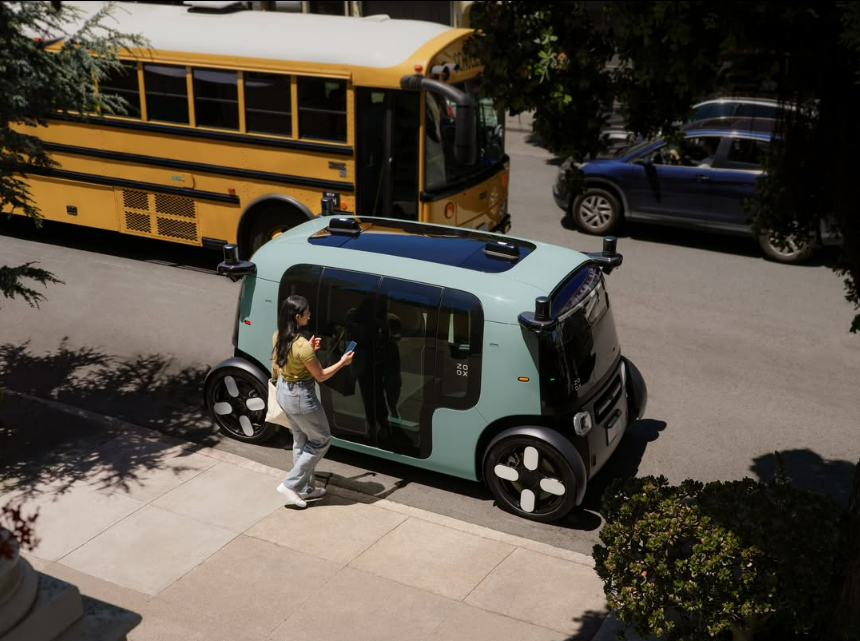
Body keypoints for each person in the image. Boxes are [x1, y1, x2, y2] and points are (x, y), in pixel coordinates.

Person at [272, 295, 353, 508]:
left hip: (284, 393)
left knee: (300, 438)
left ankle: (305, 489)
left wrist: (309, 349)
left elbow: (292, 360)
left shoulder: (279, 335)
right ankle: (289, 484)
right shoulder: (302, 346)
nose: (309, 316)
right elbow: (321, 376)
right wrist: (342, 362)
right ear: (297, 317)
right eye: (307, 313)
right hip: (300, 398)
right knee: (321, 440)